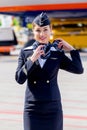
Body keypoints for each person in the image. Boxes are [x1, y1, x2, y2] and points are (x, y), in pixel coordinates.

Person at [15, 12, 84, 130]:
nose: (42, 34)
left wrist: (72, 49)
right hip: (32, 107)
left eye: (45, 30)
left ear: (51, 29)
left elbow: (78, 69)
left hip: (52, 106)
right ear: (33, 31)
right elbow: (19, 79)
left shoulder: (57, 53)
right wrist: (32, 60)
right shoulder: (26, 52)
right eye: (38, 30)